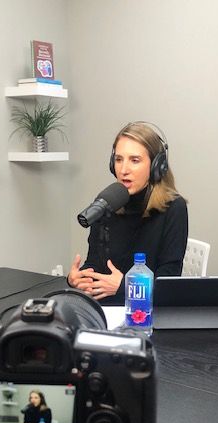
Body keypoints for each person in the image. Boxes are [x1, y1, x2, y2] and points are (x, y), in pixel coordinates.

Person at [68, 121, 188, 304]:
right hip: (104, 309)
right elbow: (95, 263)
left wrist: (125, 286)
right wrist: (79, 278)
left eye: (135, 160)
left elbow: (168, 283)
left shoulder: (174, 208)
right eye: (118, 159)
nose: (124, 170)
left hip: (146, 310)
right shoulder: (106, 203)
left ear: (156, 166)